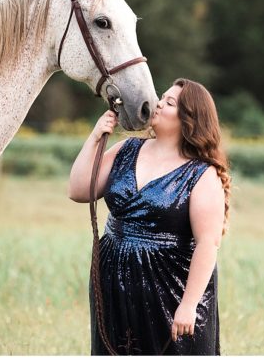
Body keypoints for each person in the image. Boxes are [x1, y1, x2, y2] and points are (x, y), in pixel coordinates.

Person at [68, 78, 231, 355]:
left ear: (189, 119)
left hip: (170, 285)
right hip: (113, 276)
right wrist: (95, 138)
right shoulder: (126, 149)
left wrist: (189, 305)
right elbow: (78, 189)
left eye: (170, 102)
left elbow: (208, 243)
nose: (158, 103)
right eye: (161, 97)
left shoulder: (201, 174)